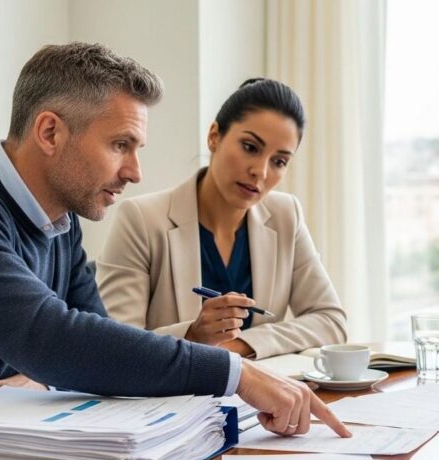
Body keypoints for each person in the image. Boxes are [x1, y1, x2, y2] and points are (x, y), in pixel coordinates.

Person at [0, 42, 350, 439]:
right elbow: (52, 336)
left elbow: (96, 343)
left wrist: (45, 378)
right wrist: (235, 372)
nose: (135, 172)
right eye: (120, 145)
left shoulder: (60, 222)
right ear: (50, 132)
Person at [96, 79, 346, 359]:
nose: (261, 171)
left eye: (279, 161)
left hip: (258, 386)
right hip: (176, 388)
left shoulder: (286, 215)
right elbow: (115, 347)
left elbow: (330, 320)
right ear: (214, 136)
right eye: (250, 147)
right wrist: (193, 336)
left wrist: (238, 347)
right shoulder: (141, 220)